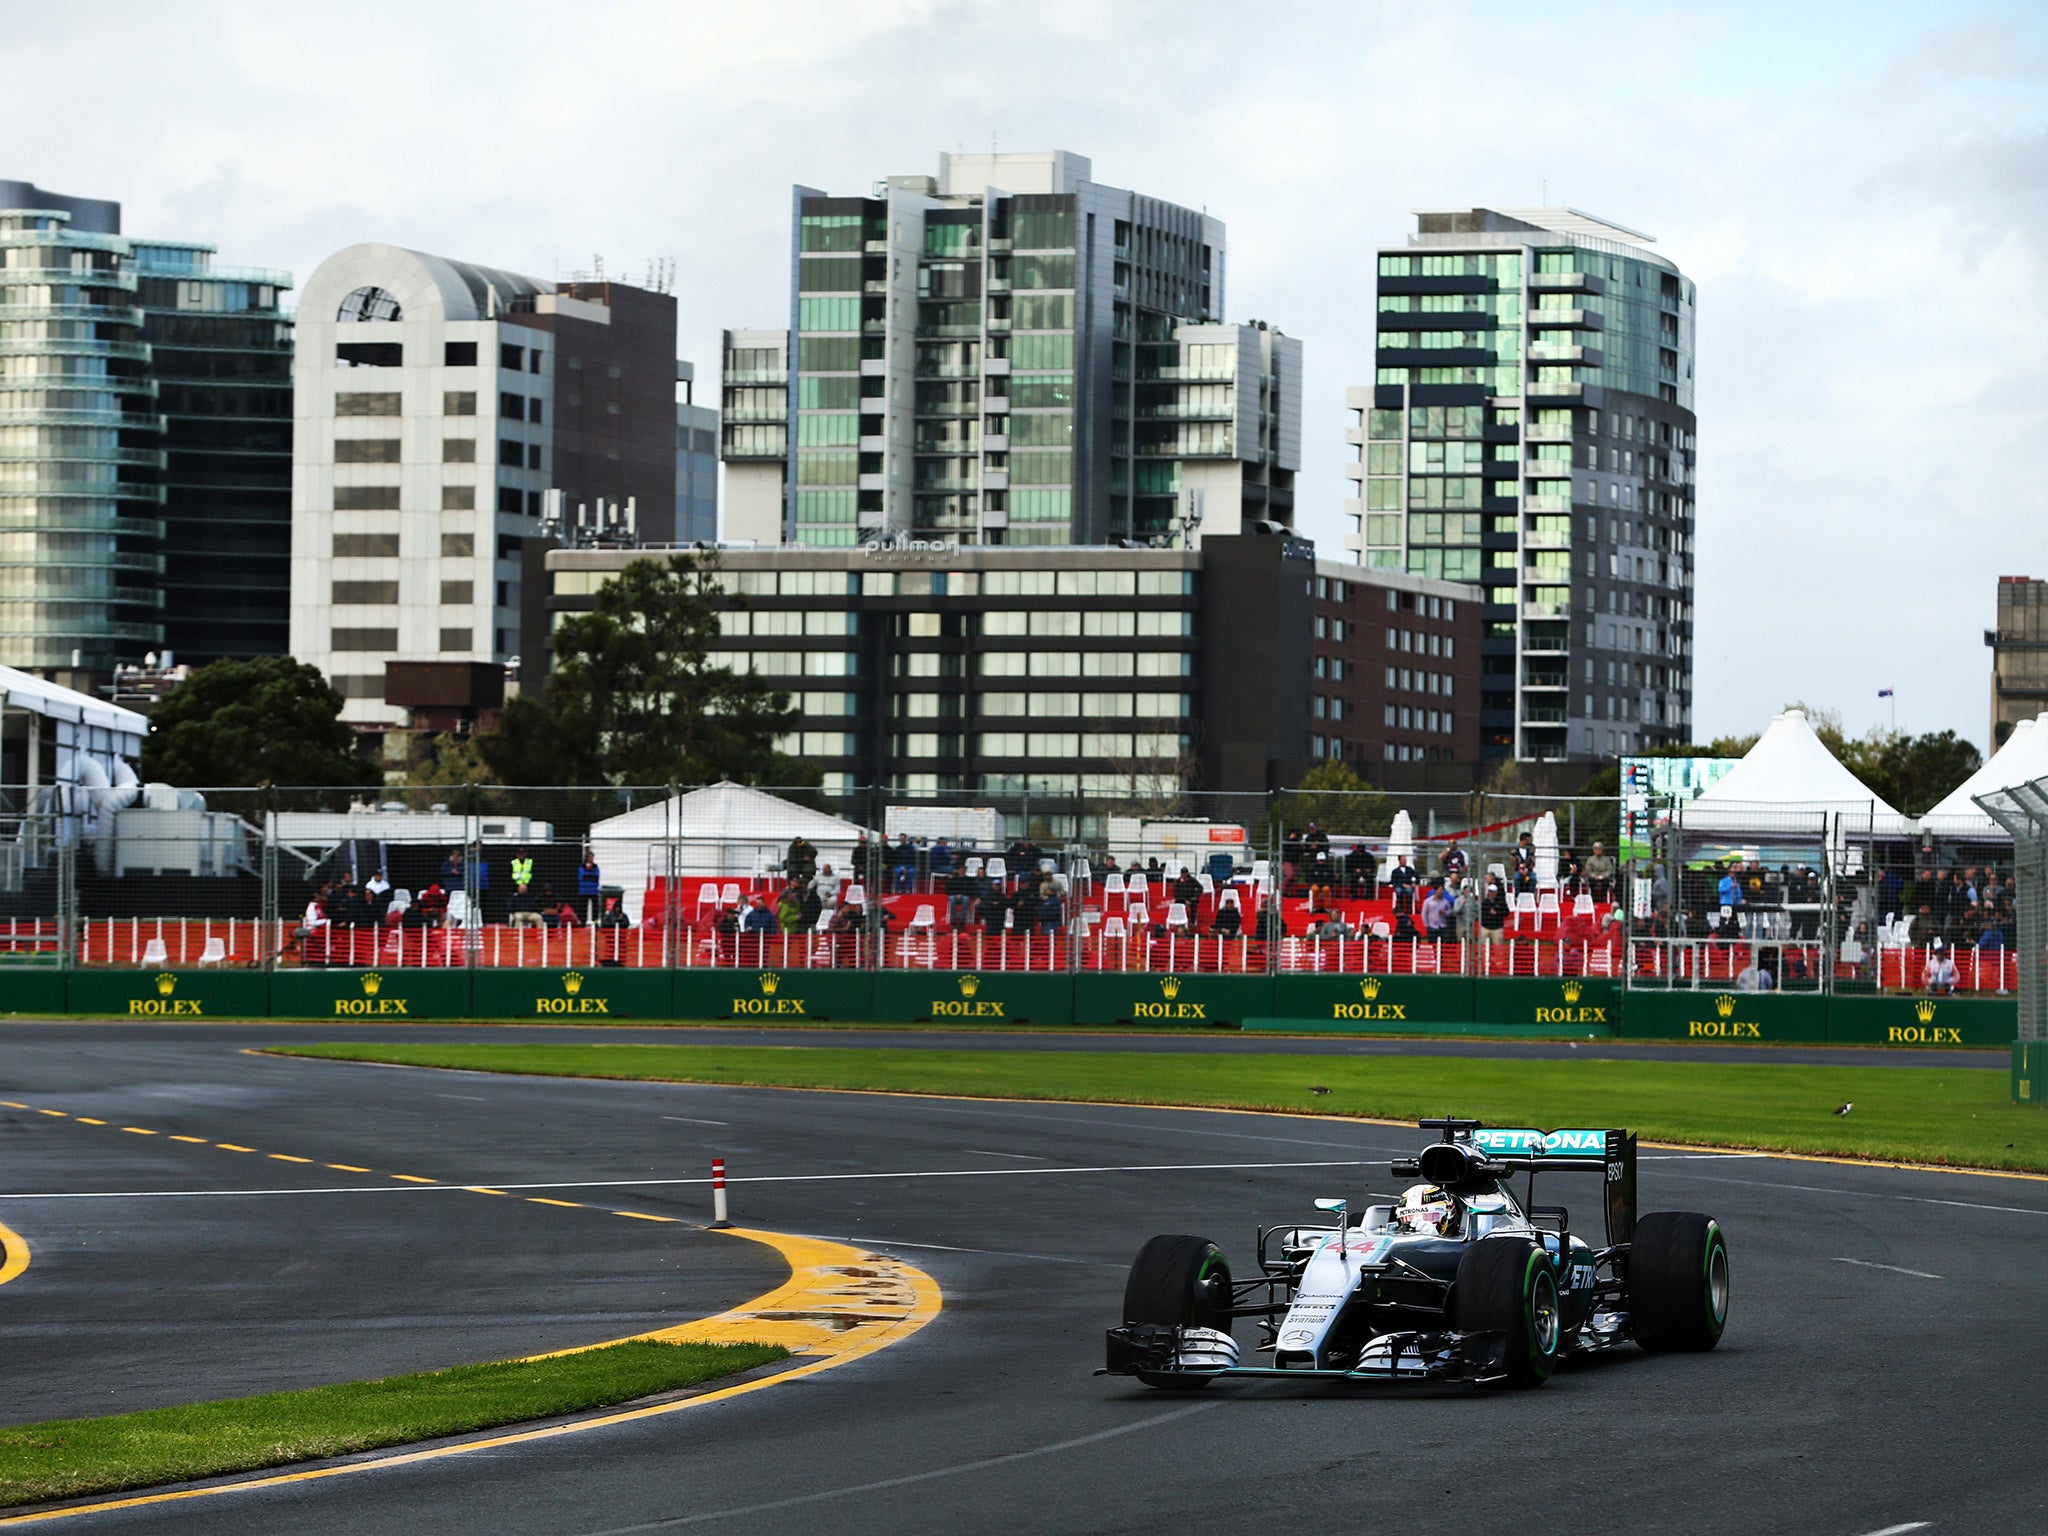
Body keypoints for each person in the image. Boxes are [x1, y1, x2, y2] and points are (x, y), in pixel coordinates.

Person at [577, 851, 603, 922]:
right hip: (584, 891)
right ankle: (582, 922)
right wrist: (590, 875)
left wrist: (588, 875)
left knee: (595, 908)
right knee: (583, 908)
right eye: (590, 857)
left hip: (594, 890)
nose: (592, 859)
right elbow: (581, 877)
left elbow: (596, 877)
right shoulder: (582, 866)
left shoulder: (595, 867)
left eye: (593, 857)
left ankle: (595, 922)